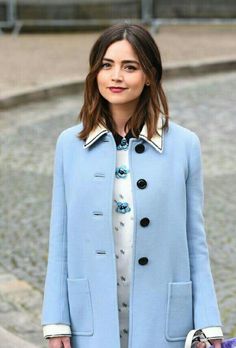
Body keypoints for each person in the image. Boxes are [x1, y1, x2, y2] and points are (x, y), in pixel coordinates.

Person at [41, 23, 224, 348]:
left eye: (130, 67)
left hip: (166, 318)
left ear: (150, 75)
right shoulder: (69, 144)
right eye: (107, 65)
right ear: (95, 72)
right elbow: (60, 237)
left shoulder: (184, 145)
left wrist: (208, 325)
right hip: (90, 317)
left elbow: (195, 241)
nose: (116, 77)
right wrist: (56, 322)